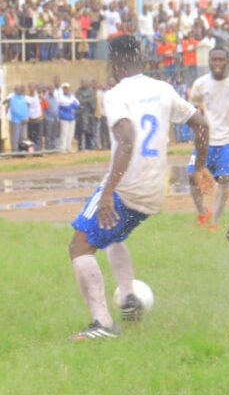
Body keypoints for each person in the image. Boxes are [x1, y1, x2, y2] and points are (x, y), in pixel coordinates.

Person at [68, 35, 210, 340]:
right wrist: (198, 167)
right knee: (112, 235)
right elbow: (201, 124)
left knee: (79, 246)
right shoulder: (162, 89)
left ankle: (102, 325)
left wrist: (107, 194)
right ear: (141, 60)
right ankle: (129, 295)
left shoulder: (115, 94)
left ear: (114, 63)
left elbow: (128, 139)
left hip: (125, 189)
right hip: (155, 191)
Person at [188, 47, 229, 231]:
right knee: (192, 177)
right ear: (209, 61)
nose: (217, 63)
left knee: (224, 179)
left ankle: (215, 222)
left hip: (228, 141)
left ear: (228, 61)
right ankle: (203, 212)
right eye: (213, 60)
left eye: (220, 60)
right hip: (206, 141)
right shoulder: (200, 84)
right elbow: (191, 109)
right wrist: (197, 128)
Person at [58, 83, 80, 152]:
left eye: (67, 88)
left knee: (71, 133)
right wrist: (72, 104)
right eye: (64, 88)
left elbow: (78, 104)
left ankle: (68, 147)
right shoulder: (60, 97)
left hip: (72, 117)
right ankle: (63, 148)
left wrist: (72, 104)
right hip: (64, 118)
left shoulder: (72, 96)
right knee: (64, 133)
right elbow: (66, 104)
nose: (66, 90)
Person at [8, 85, 28, 152]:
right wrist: (21, 118)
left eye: (20, 89)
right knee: (15, 137)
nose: (20, 90)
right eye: (18, 89)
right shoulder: (13, 99)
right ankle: (15, 151)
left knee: (22, 137)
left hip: (24, 121)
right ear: (15, 90)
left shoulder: (23, 98)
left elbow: (26, 108)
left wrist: (26, 117)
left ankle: (21, 150)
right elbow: (14, 110)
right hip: (16, 120)